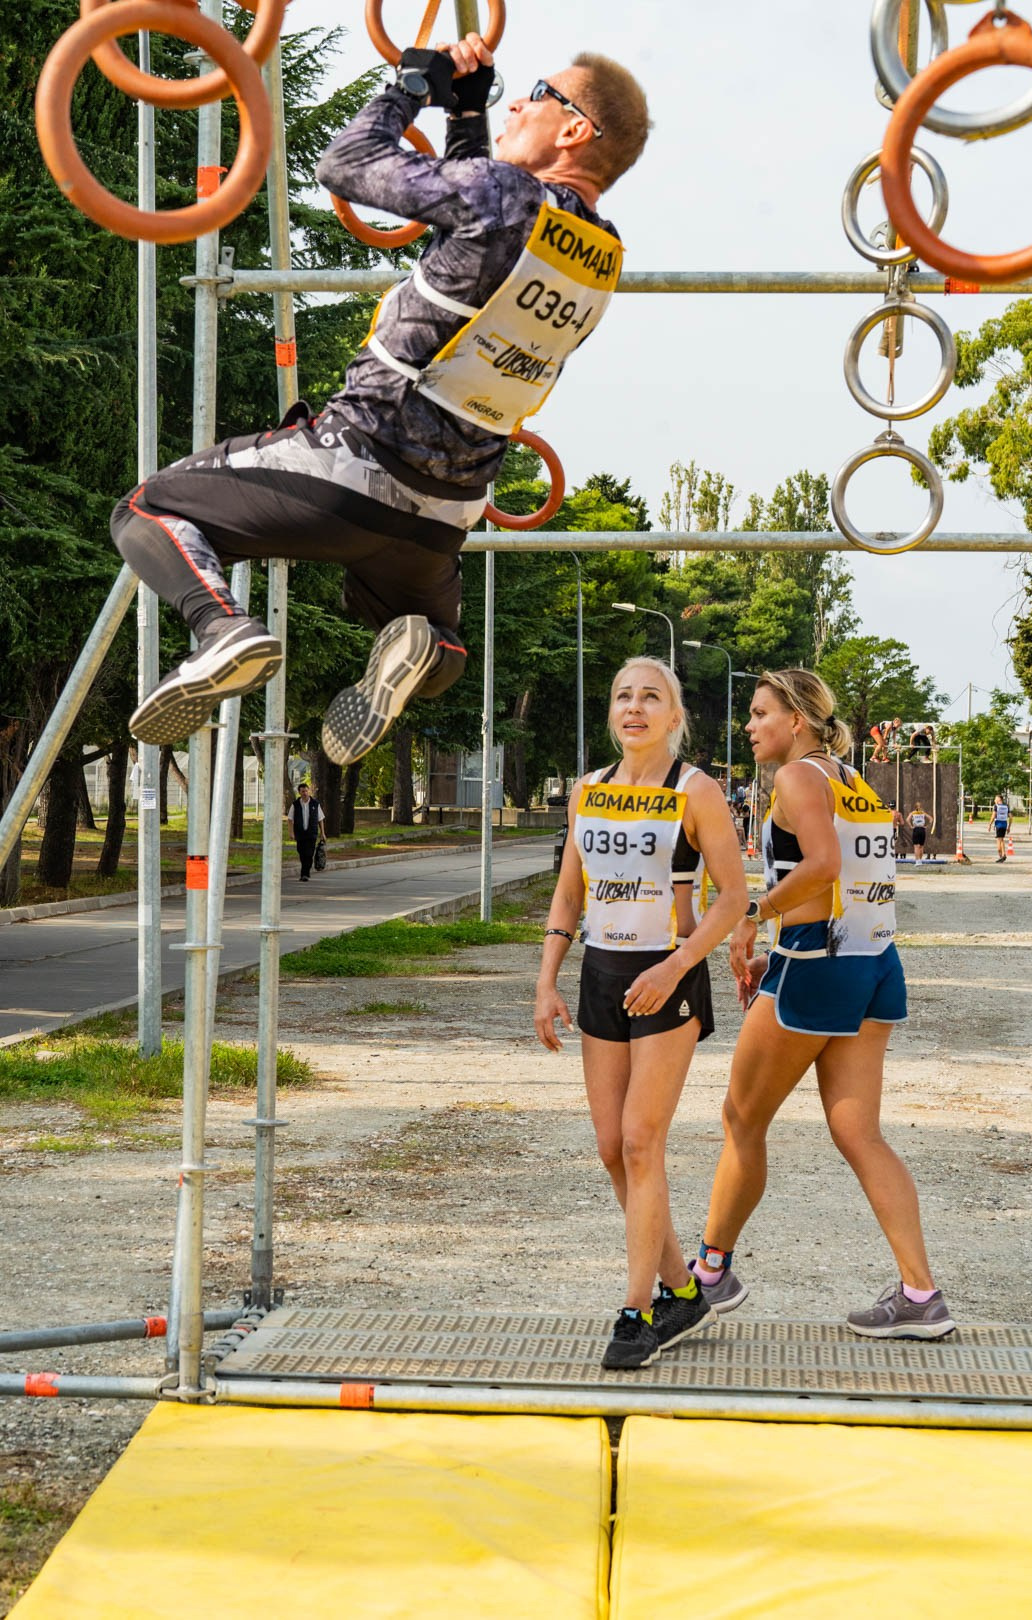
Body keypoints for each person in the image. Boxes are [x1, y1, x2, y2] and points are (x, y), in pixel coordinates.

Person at [110, 41, 650, 762]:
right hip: (442, 513)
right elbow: (474, 220)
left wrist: (412, 86)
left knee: (147, 509)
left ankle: (221, 630)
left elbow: (346, 163)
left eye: (538, 93)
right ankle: (421, 652)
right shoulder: (598, 252)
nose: (516, 103)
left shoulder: (499, 197)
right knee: (440, 639)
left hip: (357, 461)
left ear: (574, 129)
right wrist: (465, 111)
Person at [693, 669, 954, 1340]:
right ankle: (921, 1294)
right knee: (858, 1132)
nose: (749, 725)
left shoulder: (797, 777)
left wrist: (753, 915)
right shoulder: (849, 777)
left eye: (759, 713)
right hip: (872, 962)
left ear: (796, 721)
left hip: (817, 962)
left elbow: (823, 865)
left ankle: (710, 1275)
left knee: (740, 1118)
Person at [534, 658, 748, 1371]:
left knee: (639, 1141)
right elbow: (569, 894)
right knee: (609, 1146)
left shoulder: (696, 790)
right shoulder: (588, 792)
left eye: (650, 696)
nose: (635, 707)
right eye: (623, 695)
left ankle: (636, 1312)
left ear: (674, 714)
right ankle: (684, 1289)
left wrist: (676, 965)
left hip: (670, 979)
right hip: (602, 974)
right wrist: (546, 981)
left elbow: (731, 900)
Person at [286, 781, 325, 882]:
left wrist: (323, 833)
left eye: (306, 791)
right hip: (300, 833)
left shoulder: (315, 804)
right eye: (303, 791)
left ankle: (305, 874)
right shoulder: (295, 805)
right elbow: (290, 819)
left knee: (309, 854)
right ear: (299, 792)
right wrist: (291, 832)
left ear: (309, 792)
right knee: (302, 853)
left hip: (312, 833)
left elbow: (320, 819)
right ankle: (305, 872)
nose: (305, 793)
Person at [991, 794, 1011, 862]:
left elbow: (993, 816)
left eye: (995, 799)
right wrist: (1009, 827)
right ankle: (1003, 855)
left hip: (998, 825)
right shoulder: (1006, 806)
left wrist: (990, 824)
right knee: (1001, 839)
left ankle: (1002, 855)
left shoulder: (996, 806)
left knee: (999, 840)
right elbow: (1011, 817)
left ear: (999, 800)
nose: (994, 800)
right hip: (1004, 824)